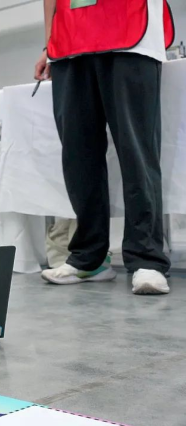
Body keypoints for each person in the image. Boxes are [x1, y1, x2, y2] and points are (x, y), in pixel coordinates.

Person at [36, 0, 175, 294]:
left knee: (136, 151)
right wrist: (49, 42)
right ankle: (90, 257)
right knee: (78, 154)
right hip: (70, 39)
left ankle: (146, 258)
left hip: (130, 30)